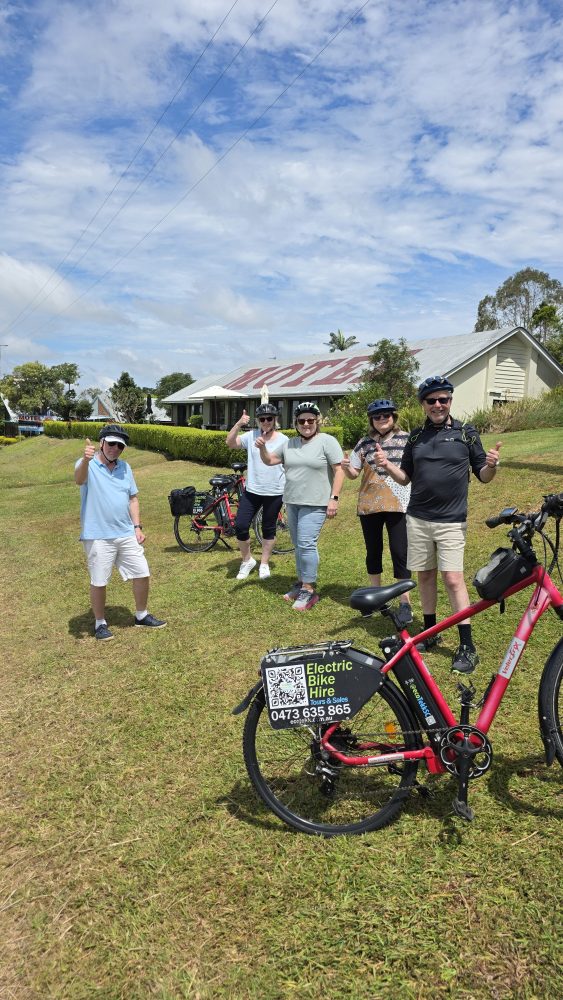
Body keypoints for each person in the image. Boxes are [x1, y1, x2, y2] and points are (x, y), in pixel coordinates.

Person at [375, 376, 501, 674]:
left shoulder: (466, 433)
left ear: (450, 402)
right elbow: (405, 477)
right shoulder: (416, 438)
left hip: (451, 521)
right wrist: (388, 465)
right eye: (431, 400)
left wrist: (492, 465)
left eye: (443, 399)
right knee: (426, 576)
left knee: (454, 580)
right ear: (423, 404)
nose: (438, 405)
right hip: (418, 518)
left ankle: (467, 644)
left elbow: (482, 475)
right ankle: (430, 634)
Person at [74, 424, 166, 640]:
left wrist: (137, 526)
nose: (115, 448)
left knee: (142, 573)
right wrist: (86, 460)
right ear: (101, 443)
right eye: (111, 443)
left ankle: (141, 615)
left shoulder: (125, 468)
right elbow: (79, 479)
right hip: (98, 535)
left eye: (120, 446)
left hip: (125, 532)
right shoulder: (87, 464)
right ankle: (100, 623)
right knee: (99, 580)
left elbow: (133, 498)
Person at [255, 402, 344, 611]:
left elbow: (339, 470)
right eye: (302, 421)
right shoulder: (290, 443)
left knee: (306, 543)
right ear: (296, 423)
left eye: (310, 420)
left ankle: (309, 589)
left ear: (317, 421)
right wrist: (262, 449)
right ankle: (301, 581)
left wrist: (334, 498)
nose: (306, 424)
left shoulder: (327, 442)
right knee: (298, 544)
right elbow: (269, 460)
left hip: (316, 502)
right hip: (292, 501)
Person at [342, 398, 413, 627]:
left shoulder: (405, 439)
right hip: (369, 505)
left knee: (400, 552)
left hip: (398, 503)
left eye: (386, 415)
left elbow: (410, 470)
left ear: (394, 417)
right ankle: (376, 598)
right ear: (371, 420)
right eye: (377, 417)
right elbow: (354, 473)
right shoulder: (364, 443)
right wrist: (346, 467)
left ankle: (405, 602)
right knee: (373, 551)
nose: (382, 420)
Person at [226, 403, 288, 580]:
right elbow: (230, 443)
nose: (266, 422)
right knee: (240, 525)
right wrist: (238, 424)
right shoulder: (251, 436)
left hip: (275, 490)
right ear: (258, 421)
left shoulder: (283, 440)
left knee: (268, 528)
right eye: (262, 419)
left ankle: (264, 563)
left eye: (270, 418)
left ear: (275, 419)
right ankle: (247, 560)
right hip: (252, 490)